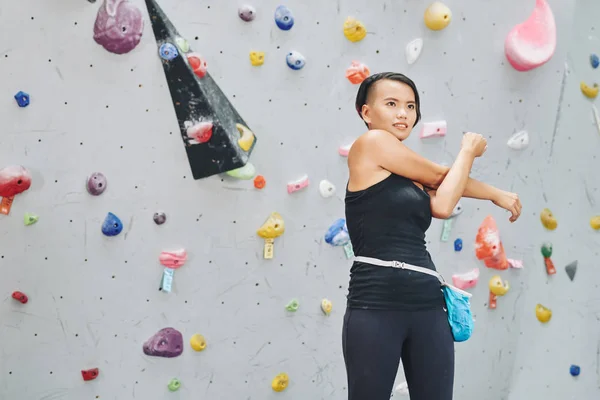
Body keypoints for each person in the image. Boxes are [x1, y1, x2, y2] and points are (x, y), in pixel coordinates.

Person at [342, 72, 522, 400]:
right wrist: (468, 151)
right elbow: (442, 177)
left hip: (428, 301)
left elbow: (443, 197)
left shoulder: (409, 173)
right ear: (367, 113)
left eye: (410, 106)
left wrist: (494, 193)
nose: (403, 113)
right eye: (392, 104)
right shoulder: (371, 144)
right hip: (377, 301)